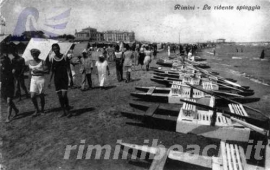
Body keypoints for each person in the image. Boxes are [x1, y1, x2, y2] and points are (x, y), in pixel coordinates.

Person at [48, 43, 72, 118]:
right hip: (57, 79)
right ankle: (63, 111)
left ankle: (68, 110)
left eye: (57, 48)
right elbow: (52, 70)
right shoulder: (52, 58)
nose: (56, 50)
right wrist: (49, 81)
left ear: (59, 48)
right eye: (54, 49)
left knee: (64, 95)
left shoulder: (64, 57)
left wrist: (70, 79)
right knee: (60, 96)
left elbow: (68, 68)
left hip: (64, 78)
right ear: (52, 50)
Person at [28, 49, 49, 117]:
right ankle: (36, 109)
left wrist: (39, 71)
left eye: (36, 54)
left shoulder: (42, 61)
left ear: (38, 54)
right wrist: (29, 83)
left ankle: (42, 110)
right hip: (33, 79)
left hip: (40, 79)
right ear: (31, 55)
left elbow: (47, 71)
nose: (34, 56)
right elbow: (29, 73)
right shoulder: (30, 62)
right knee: (32, 96)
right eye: (33, 54)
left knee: (41, 96)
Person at [1, 53, 19, 123]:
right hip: (3, 86)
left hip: (10, 86)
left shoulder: (12, 67)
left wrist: (17, 87)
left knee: (8, 101)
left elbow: (16, 79)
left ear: (7, 60)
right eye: (1, 59)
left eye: (3, 59)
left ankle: (8, 118)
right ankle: (16, 110)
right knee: (8, 101)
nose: (2, 61)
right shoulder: (1, 68)